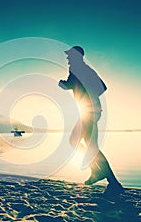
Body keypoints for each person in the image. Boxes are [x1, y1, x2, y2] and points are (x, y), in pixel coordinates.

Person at [59, 46, 123, 194]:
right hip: (89, 111)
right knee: (85, 145)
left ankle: (110, 180)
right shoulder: (83, 69)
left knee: (79, 143)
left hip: (89, 112)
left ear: (77, 56)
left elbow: (100, 87)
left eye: (70, 55)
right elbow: (100, 88)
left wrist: (65, 84)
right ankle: (103, 175)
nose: (67, 58)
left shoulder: (78, 69)